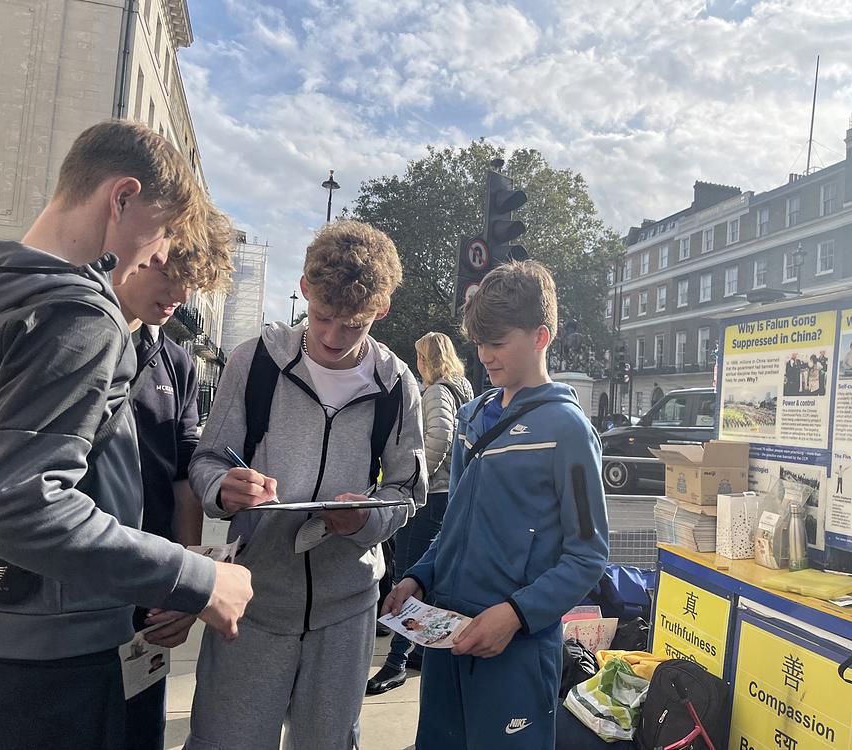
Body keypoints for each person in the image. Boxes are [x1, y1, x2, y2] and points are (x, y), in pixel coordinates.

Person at [0, 120, 252, 750]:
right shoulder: (83, 314)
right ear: (121, 198)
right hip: (56, 655)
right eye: (162, 232)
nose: (158, 253)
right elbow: (26, 501)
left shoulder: (15, 286)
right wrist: (196, 580)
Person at [185, 220, 427, 750]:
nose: (332, 336)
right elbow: (203, 461)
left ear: (380, 311)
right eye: (322, 316)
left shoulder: (397, 383)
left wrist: (367, 519)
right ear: (303, 290)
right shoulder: (254, 362)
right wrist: (224, 487)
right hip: (251, 602)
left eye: (353, 324)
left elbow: (407, 491)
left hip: (347, 609)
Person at [385, 260, 610, 750]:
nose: (485, 354)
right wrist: (418, 577)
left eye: (498, 341)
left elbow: (588, 555)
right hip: (447, 635)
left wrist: (515, 615)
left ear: (540, 336)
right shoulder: (474, 416)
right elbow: (453, 527)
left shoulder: (568, 430)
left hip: (516, 647)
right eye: (479, 342)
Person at [115, 206, 235, 750]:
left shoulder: (178, 363)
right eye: (171, 273)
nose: (181, 295)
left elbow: (185, 477)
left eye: (193, 283)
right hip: (65, 586)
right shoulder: (76, 331)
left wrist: (187, 581)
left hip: (150, 586)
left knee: (141, 729)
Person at [368, 331, 474, 694]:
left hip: (431, 496)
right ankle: (415, 652)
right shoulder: (464, 391)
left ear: (427, 360)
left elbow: (439, 437)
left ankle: (396, 661)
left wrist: (416, 479)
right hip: (451, 495)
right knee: (431, 578)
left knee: (406, 578)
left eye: (419, 358)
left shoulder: (437, 391)